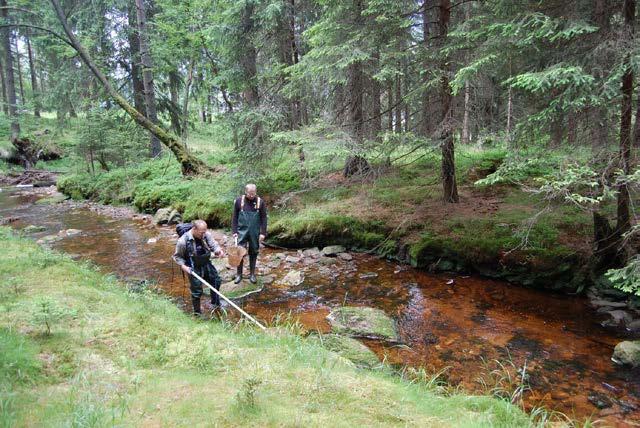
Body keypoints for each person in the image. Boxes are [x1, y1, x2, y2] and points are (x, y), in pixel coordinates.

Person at [173, 220, 225, 315]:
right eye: (202, 232)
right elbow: (177, 257)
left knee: (216, 281)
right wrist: (184, 267)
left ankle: (215, 304)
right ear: (194, 229)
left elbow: (213, 244)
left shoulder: (205, 234)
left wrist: (218, 251)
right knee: (197, 291)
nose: (204, 234)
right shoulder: (183, 241)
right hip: (193, 267)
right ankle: (197, 313)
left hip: (206, 263)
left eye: (205, 231)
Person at [232, 183, 267, 284]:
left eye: (253, 193)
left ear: (256, 192)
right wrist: (234, 231)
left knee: (254, 252)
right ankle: (239, 274)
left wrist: (263, 233)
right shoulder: (239, 201)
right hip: (241, 231)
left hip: (255, 232)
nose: (252, 196)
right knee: (240, 252)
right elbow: (234, 217)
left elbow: (264, 218)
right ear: (245, 192)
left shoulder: (260, 202)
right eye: (250, 194)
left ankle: (252, 274)